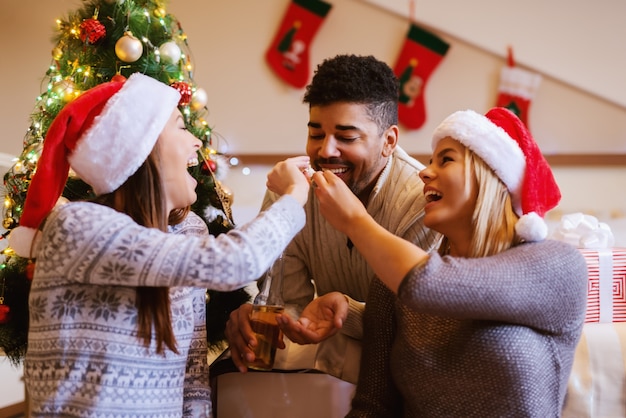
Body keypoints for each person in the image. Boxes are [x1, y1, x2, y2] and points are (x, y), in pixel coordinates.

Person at [8, 73, 312, 418]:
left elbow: (192, 377)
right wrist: (294, 195)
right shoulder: (76, 227)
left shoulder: (190, 233)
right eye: (182, 127)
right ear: (142, 147)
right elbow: (235, 263)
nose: (197, 142)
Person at [308, 107, 589, 416]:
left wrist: (355, 221)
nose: (425, 172)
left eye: (446, 159)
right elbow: (373, 408)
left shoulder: (558, 266)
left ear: (493, 175)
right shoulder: (391, 285)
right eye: (430, 161)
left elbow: (428, 284)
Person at [224, 54, 440, 382]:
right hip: (322, 380)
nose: (326, 151)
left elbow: (418, 324)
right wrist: (258, 318)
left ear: (389, 141)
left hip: (405, 376)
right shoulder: (291, 189)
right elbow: (286, 304)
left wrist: (347, 313)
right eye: (316, 134)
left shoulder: (422, 200)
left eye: (346, 137)